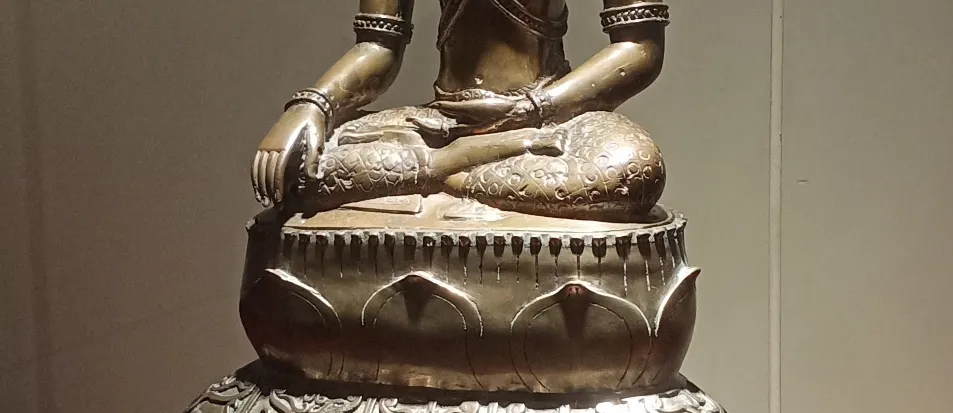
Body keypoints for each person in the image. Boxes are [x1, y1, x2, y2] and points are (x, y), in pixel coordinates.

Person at [250, 0, 670, 221]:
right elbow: (378, 46)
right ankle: (452, 165)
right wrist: (313, 105)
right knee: (300, 171)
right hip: (444, 124)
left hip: (553, 119)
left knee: (633, 167)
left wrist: (532, 109)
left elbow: (638, 48)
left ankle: (438, 173)